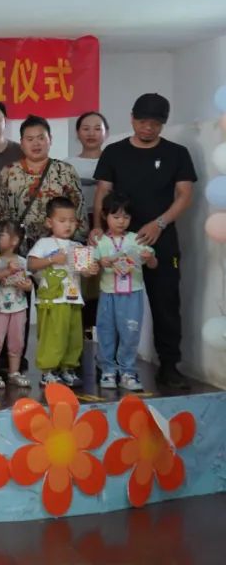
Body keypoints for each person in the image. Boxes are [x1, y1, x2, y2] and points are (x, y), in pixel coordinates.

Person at [92, 93, 195, 390]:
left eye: (155, 123)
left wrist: (160, 223)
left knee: (166, 302)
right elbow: (103, 192)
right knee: (113, 306)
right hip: (117, 241)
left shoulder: (177, 153)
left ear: (163, 124)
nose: (148, 128)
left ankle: (169, 366)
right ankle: (110, 366)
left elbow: (185, 195)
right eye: (142, 121)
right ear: (132, 118)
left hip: (160, 238)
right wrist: (98, 226)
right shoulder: (114, 152)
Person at [28, 196, 100, 386]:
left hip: (74, 299)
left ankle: (68, 368)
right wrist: (52, 260)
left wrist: (90, 270)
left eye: (72, 221)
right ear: (49, 222)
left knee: (73, 336)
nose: (68, 225)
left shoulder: (78, 246)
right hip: (52, 300)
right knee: (53, 336)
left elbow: (84, 272)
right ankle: (48, 371)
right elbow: (31, 264)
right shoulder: (44, 243)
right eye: (62, 220)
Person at [0, 116, 86, 252]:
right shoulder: (9, 172)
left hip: (57, 249)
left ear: (50, 139)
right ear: (22, 143)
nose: (36, 144)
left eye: (41, 138)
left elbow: (79, 213)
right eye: (30, 139)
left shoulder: (65, 171)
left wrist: (74, 247)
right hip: (16, 249)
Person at [94, 192, 157, 392]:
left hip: (132, 294)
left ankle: (128, 372)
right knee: (106, 331)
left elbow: (153, 264)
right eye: (116, 216)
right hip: (108, 294)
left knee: (130, 332)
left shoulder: (136, 239)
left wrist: (149, 258)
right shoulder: (100, 241)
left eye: (126, 217)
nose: (121, 221)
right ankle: (107, 370)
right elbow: (91, 266)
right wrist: (100, 262)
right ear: (105, 216)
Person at [67, 111, 109, 337]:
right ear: (77, 133)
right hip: (78, 230)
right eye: (86, 128)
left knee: (105, 277)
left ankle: (102, 331)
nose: (91, 133)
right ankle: (81, 330)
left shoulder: (113, 161)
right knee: (82, 277)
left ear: (106, 133)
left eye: (97, 128)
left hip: (107, 228)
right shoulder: (68, 164)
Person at [0, 220, 33, 390]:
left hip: (19, 307)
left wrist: (26, 285)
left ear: (14, 240)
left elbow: (29, 284)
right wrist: (7, 271)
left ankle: (14, 372)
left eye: (0, 235)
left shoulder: (22, 261)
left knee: (16, 341)